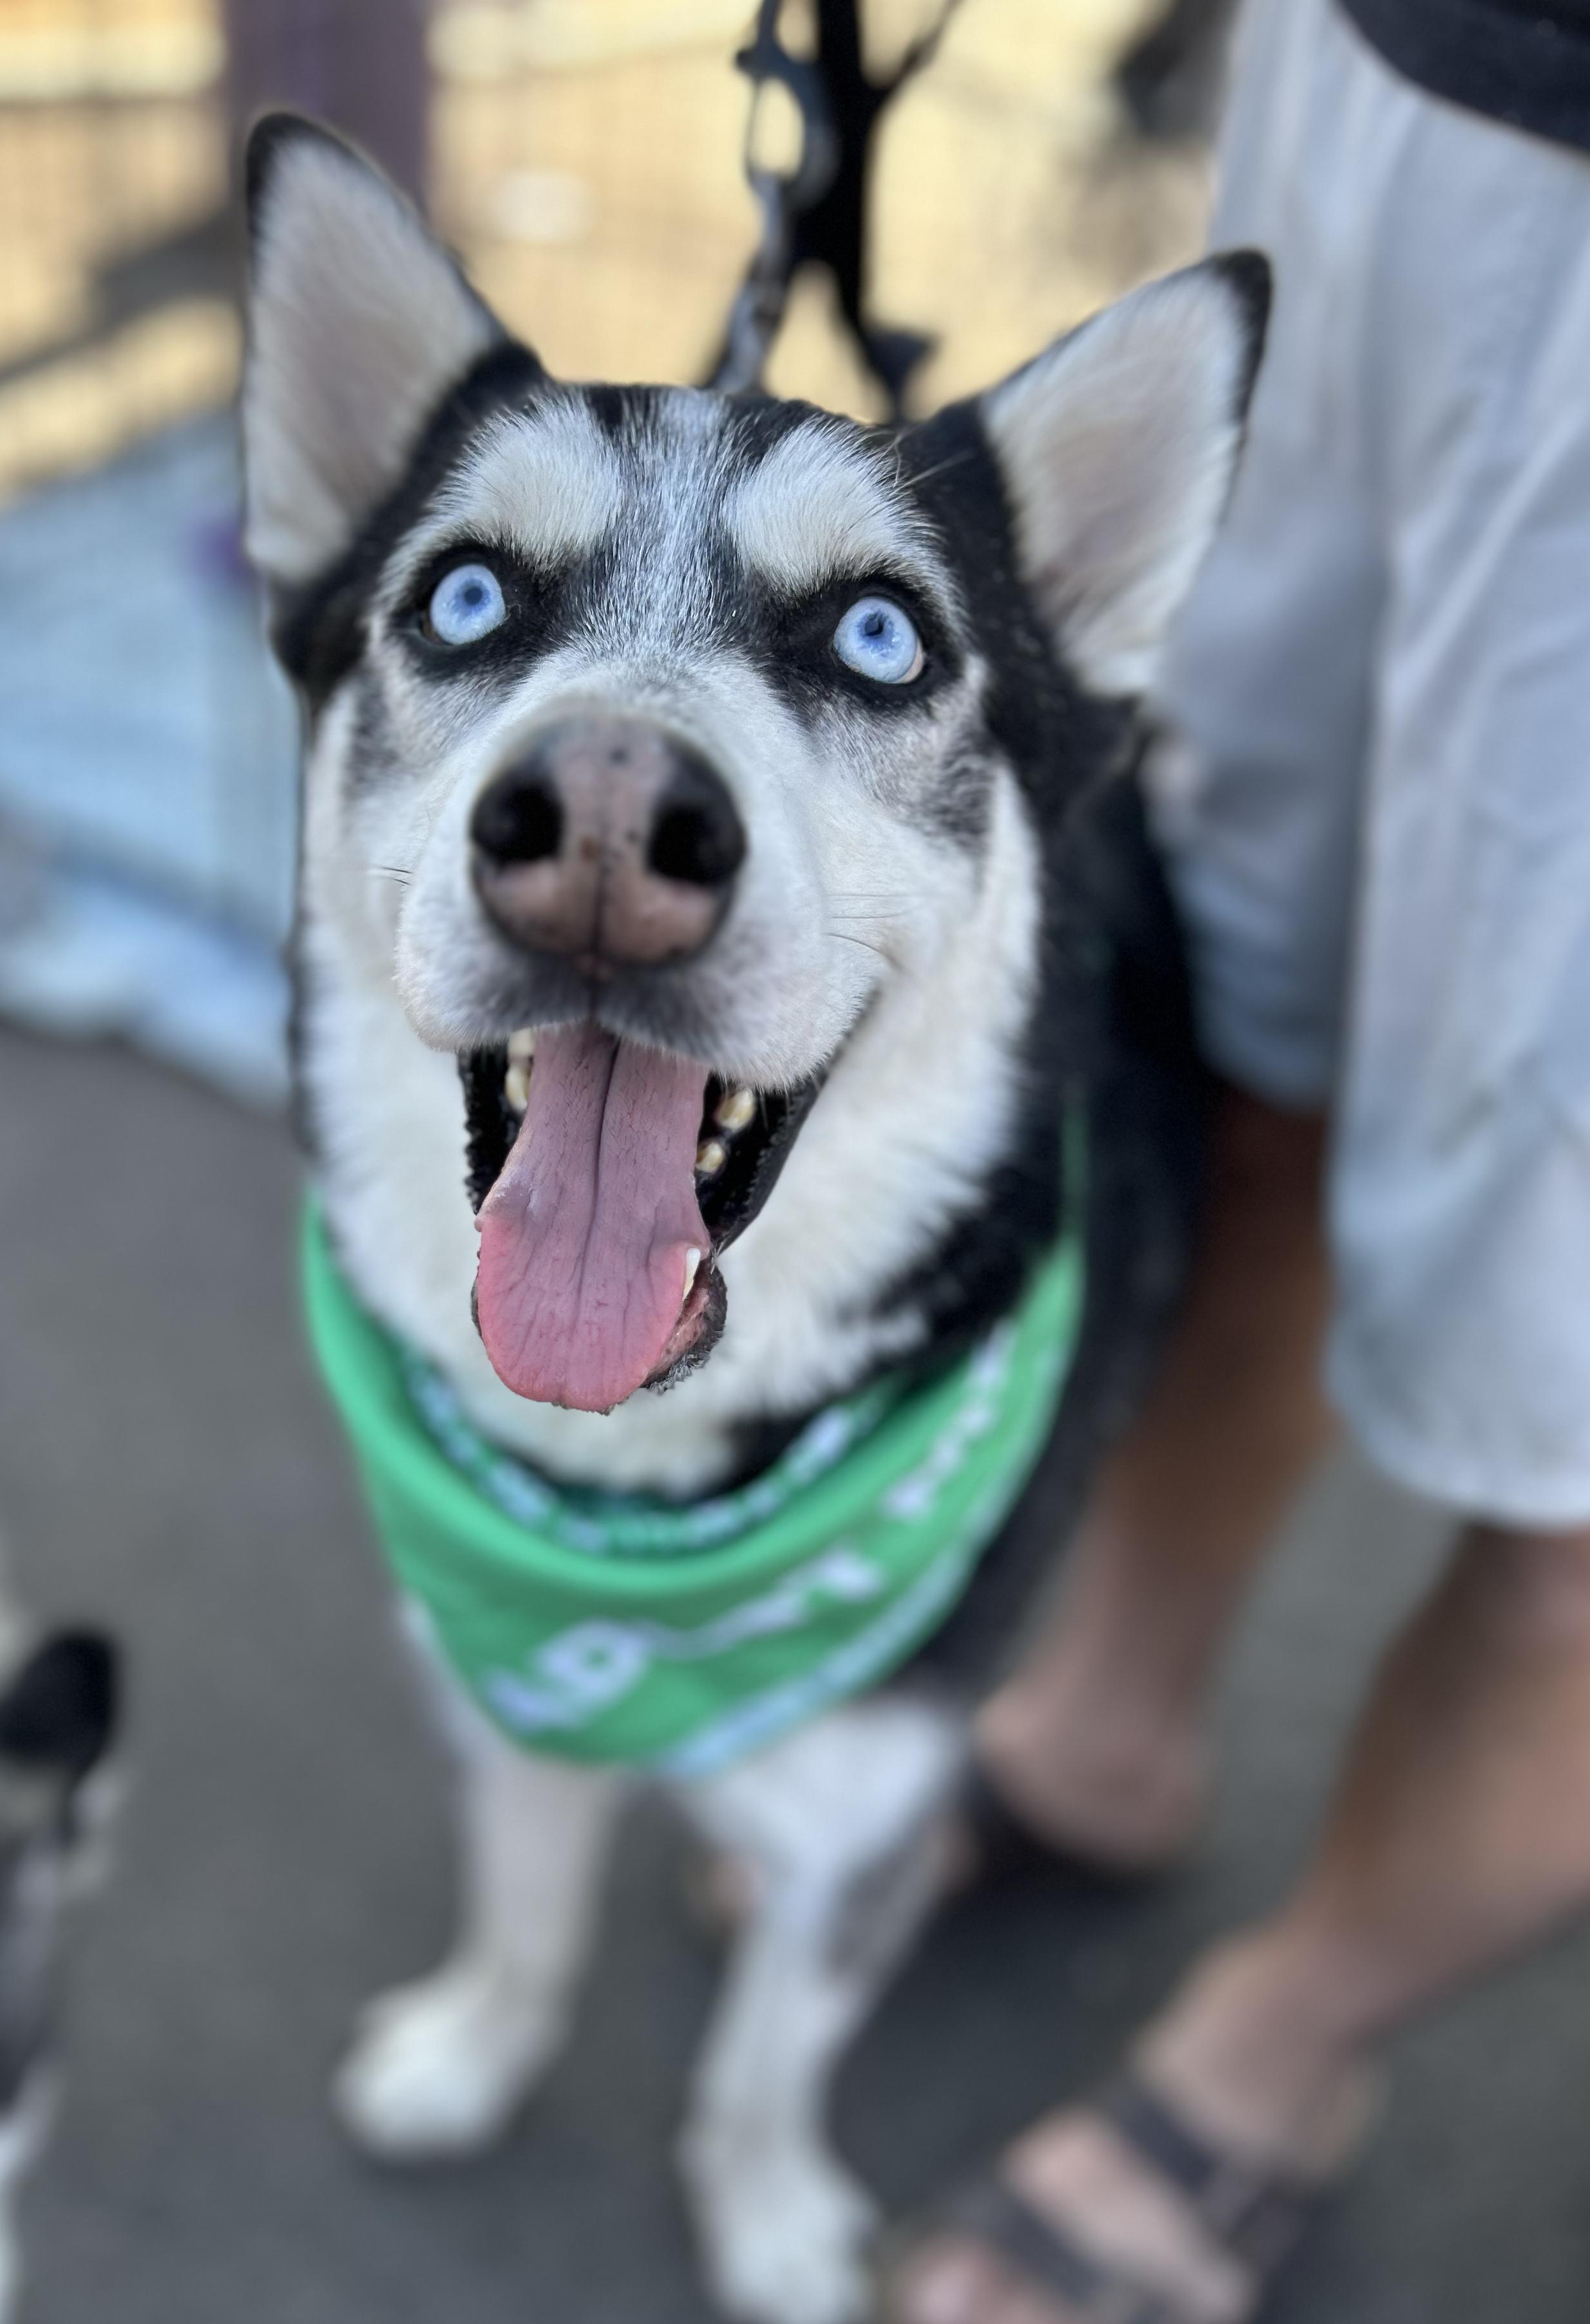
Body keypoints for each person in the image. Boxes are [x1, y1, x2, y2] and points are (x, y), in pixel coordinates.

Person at [885, 0, 1590, 2315]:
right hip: (1383, 77)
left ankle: (1288, 2050)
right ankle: (1103, 1730)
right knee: (1247, 1043)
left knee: (1569, 1432)